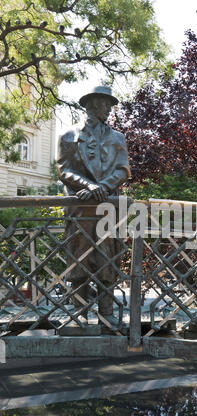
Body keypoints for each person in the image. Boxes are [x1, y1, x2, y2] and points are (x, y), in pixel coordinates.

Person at [56, 85, 131, 327]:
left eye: (110, 104)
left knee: (107, 260)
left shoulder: (118, 138)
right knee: (79, 260)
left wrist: (105, 186)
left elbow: (123, 169)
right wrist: (88, 186)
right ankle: (79, 314)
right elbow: (63, 169)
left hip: (108, 207)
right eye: (103, 103)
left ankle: (106, 314)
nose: (108, 109)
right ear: (89, 105)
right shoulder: (68, 136)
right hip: (81, 208)